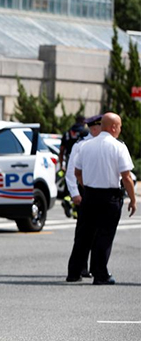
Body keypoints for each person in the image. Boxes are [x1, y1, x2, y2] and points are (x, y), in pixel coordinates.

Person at [66, 112, 136, 285]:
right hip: (109, 197)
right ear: (113, 127)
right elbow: (126, 177)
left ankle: (74, 272)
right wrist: (133, 200)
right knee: (104, 236)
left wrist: (86, 187)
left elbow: (77, 173)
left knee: (84, 235)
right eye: (119, 126)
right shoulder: (118, 147)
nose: (120, 129)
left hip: (89, 195)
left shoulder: (85, 145)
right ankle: (100, 274)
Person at [63, 114, 102, 279]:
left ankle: (94, 267)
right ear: (94, 127)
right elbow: (71, 172)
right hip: (84, 192)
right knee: (84, 232)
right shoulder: (81, 145)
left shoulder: (103, 144)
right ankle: (81, 267)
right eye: (101, 126)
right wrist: (75, 194)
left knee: (98, 232)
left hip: (100, 191)